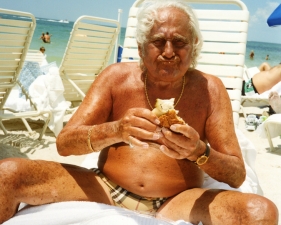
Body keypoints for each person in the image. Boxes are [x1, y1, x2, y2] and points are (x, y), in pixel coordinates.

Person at [0, 1, 278, 224]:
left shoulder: (210, 89)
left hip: (179, 199)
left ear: (194, 47)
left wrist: (197, 151)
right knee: (7, 173)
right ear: (141, 48)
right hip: (104, 188)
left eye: (179, 42)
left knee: (261, 212)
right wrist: (115, 130)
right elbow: (64, 143)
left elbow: (236, 174)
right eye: (159, 41)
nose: (169, 51)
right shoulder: (116, 78)